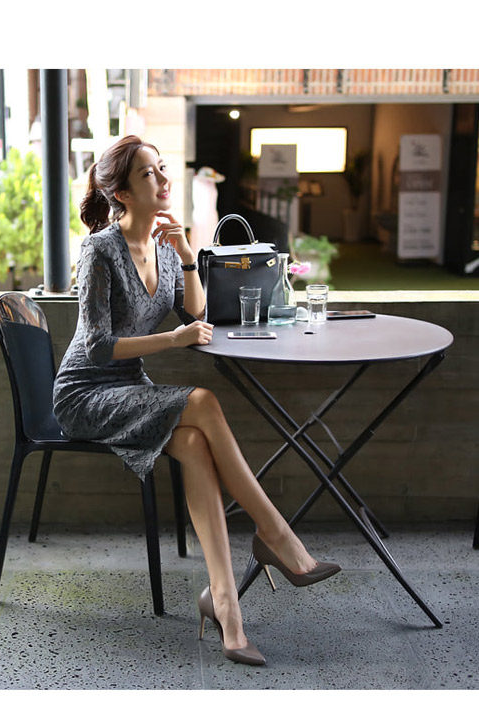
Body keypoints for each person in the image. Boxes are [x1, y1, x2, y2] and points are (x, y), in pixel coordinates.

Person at [52, 135, 340, 666]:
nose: (164, 180)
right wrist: (172, 341)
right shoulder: (99, 250)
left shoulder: (165, 244)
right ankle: (276, 535)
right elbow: (96, 345)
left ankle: (225, 603)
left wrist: (187, 257)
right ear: (122, 193)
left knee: (192, 444)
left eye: (162, 169)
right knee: (203, 401)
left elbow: (195, 313)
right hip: (85, 393)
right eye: (149, 174)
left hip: (129, 387)